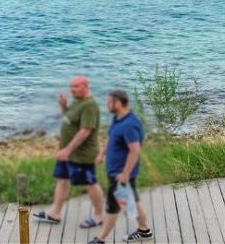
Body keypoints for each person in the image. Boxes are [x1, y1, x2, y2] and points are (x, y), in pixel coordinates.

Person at [34, 76, 105, 229]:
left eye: (76, 86)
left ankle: (99, 216)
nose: (72, 89)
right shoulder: (77, 101)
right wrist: (63, 106)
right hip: (67, 153)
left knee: (90, 183)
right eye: (71, 86)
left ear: (86, 86)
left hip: (82, 154)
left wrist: (68, 149)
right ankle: (55, 213)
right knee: (61, 179)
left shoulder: (89, 105)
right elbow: (69, 119)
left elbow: (85, 131)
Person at [89, 90, 152, 244]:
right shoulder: (117, 119)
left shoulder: (129, 125)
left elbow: (135, 150)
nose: (106, 104)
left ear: (117, 104)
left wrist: (125, 174)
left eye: (109, 102)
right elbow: (110, 137)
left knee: (112, 207)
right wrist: (102, 154)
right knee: (132, 201)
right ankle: (144, 230)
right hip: (116, 172)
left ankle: (100, 239)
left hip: (120, 175)